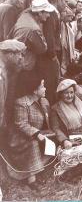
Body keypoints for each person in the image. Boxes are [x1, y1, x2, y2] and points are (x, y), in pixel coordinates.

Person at [6, 77, 52, 191]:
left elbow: (48, 120)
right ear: (35, 91)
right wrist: (37, 134)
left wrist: (51, 133)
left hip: (37, 134)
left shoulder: (44, 101)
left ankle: (37, 169)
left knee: (53, 146)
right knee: (34, 143)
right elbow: (21, 124)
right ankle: (32, 180)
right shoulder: (22, 102)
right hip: (19, 137)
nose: (45, 88)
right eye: (42, 86)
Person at [12, 0, 54, 99]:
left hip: (16, 60)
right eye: (47, 13)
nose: (48, 15)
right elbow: (42, 48)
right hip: (24, 64)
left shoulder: (25, 14)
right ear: (39, 13)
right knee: (23, 94)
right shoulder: (34, 28)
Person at [0, 39, 25, 192]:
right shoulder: (0, 73)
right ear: (9, 54)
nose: (21, 58)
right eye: (18, 55)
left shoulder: (5, 69)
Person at [37, 0, 69, 105]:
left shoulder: (55, 13)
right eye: (66, 2)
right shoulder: (51, 14)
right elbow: (49, 36)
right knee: (50, 85)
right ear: (59, 0)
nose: (66, 5)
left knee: (54, 84)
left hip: (53, 55)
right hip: (50, 57)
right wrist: (53, 57)